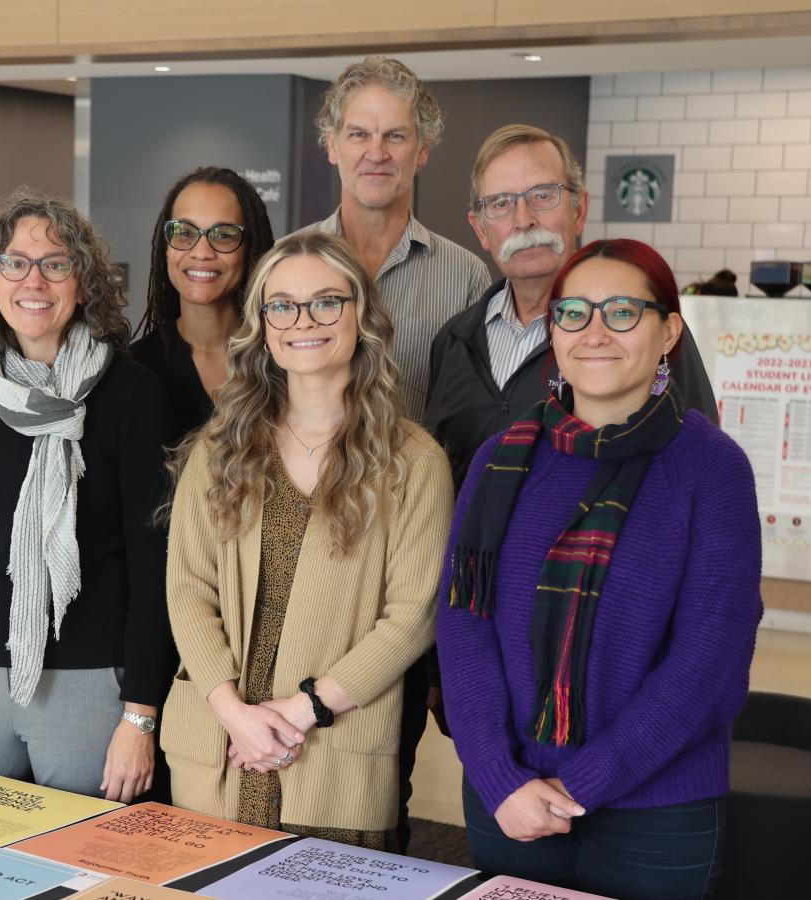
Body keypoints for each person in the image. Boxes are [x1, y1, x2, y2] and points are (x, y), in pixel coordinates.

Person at [435, 239, 762, 899]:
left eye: (622, 313)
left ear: (668, 330)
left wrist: (579, 785)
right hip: (510, 805)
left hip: (656, 811)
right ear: (552, 332)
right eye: (575, 313)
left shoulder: (711, 468)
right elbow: (463, 624)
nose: (594, 333)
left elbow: (711, 660)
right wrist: (500, 777)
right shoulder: (501, 460)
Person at [162, 230, 453, 850]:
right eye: (283, 305)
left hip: (330, 752)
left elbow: (413, 617)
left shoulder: (413, 460)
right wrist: (235, 713)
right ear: (262, 323)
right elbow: (188, 592)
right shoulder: (219, 449)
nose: (304, 321)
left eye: (326, 301)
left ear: (361, 314)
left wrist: (299, 714)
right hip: (220, 748)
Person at [0, 189, 176, 804]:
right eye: (15, 263)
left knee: (88, 852)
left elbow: (153, 566)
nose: (34, 280)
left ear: (83, 282)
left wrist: (140, 716)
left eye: (56, 264)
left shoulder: (132, 394)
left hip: (86, 674)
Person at [296, 54, 491, 846]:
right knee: (286, 758)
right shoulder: (290, 264)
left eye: (396, 135)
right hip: (299, 552)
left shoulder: (465, 278)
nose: (377, 150)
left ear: (422, 150)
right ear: (331, 146)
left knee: (379, 778)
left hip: (405, 568)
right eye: (360, 133)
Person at [424, 124, 718, 492]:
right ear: (481, 229)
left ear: (579, 210)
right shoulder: (453, 342)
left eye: (543, 195)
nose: (523, 219)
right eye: (500, 203)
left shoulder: (637, 331)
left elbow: (699, 464)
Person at [132, 167, 276, 446]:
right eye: (184, 232)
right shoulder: (137, 369)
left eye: (223, 235)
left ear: (250, 248)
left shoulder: (282, 359)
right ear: (166, 247)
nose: (201, 252)